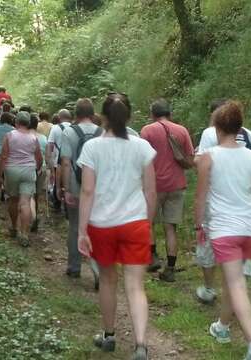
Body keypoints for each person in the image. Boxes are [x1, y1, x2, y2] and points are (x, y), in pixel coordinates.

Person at [194, 101, 251, 360]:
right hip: (250, 229)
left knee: (237, 284)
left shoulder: (209, 157)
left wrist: (199, 225)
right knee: (234, 281)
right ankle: (221, 327)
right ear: (240, 129)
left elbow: (200, 196)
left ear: (217, 128)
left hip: (224, 229)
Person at [77, 93, 157, 360]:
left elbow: (87, 192)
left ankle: (109, 336)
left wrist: (81, 230)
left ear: (103, 118)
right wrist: (149, 223)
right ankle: (141, 345)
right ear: (130, 117)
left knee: (109, 281)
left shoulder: (92, 148)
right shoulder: (142, 147)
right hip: (135, 223)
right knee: (136, 286)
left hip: (102, 224)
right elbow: (150, 191)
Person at [194, 99, 251, 304]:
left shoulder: (210, 133)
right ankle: (238, 291)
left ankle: (210, 289)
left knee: (208, 241)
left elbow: (200, 163)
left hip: (215, 202)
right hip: (244, 201)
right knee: (241, 244)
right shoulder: (249, 134)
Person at [140, 99, 195, 282]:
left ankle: (153, 257)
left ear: (152, 114)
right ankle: (170, 268)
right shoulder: (182, 130)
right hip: (176, 185)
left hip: (154, 186)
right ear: (169, 113)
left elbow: (142, 159)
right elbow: (190, 157)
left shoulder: (147, 131)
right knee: (171, 227)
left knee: (148, 223)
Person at [60, 98, 103, 288]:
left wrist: (66, 188)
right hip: (98, 188)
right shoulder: (102, 132)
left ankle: (74, 266)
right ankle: (98, 270)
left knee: (76, 226)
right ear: (93, 114)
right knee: (97, 229)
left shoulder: (69, 132)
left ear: (76, 114)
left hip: (77, 186)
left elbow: (66, 162)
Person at [0, 111, 43, 246]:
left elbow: (4, 156)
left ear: (16, 122)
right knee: (25, 202)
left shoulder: (9, 136)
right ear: (28, 123)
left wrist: (0, 173)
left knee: (13, 199)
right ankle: (24, 234)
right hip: (28, 170)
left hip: (12, 170)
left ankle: (14, 227)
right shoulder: (33, 138)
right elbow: (39, 157)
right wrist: (37, 168)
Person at [46, 109, 72, 212]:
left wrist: (48, 159)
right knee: (68, 183)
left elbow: (50, 145)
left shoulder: (55, 128)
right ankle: (67, 206)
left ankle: (57, 204)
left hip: (58, 161)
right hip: (71, 162)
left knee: (58, 183)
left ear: (59, 117)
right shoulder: (74, 127)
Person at [28, 112, 48, 232]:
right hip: (42, 168)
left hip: (29, 167)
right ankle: (35, 216)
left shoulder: (24, 136)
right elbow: (47, 155)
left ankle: (31, 218)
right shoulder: (43, 138)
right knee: (36, 195)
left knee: (27, 195)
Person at [0, 112, 16, 200]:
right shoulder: (13, 129)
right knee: (7, 173)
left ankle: (2, 187)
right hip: (9, 153)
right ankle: (6, 191)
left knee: (0, 172)